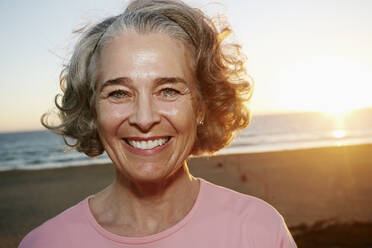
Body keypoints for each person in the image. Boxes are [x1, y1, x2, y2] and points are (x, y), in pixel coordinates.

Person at [19, 0, 297, 247]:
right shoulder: (45, 242)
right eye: (119, 93)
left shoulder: (259, 231)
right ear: (93, 110)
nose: (143, 118)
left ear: (201, 105)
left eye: (168, 91)